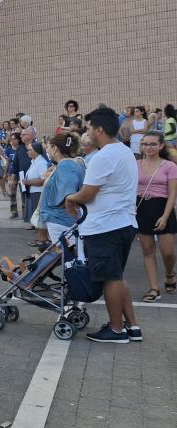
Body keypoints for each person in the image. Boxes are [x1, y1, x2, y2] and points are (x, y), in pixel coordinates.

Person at [65, 106, 141, 343]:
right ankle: (132, 326)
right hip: (124, 222)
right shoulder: (125, 152)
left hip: (105, 226)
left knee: (110, 278)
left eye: (88, 129)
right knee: (116, 276)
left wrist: (70, 198)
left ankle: (116, 330)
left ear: (99, 130)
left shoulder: (103, 157)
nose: (86, 133)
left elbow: (87, 193)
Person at [135, 132, 177, 301]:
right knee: (147, 250)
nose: (148, 147)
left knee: (167, 252)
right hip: (141, 207)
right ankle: (153, 289)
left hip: (163, 207)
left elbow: (172, 194)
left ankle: (169, 273)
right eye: (145, 144)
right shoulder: (135, 164)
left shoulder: (169, 166)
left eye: (152, 144)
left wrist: (165, 217)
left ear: (161, 146)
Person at [40, 133, 86, 243]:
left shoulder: (65, 165)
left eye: (49, 147)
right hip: (64, 220)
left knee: (68, 256)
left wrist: (72, 214)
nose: (47, 150)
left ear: (55, 148)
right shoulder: (75, 162)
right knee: (72, 255)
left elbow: (68, 195)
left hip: (61, 221)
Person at [22, 143, 48, 240]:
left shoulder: (41, 163)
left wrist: (29, 182)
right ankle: (40, 239)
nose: (27, 152)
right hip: (33, 192)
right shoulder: (34, 161)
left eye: (29, 150)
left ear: (35, 151)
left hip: (39, 192)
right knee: (36, 216)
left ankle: (43, 240)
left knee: (39, 216)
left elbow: (44, 180)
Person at [3, 133, 23, 220]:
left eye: (14, 139)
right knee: (12, 194)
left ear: (18, 140)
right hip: (11, 174)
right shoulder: (8, 150)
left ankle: (25, 212)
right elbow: (7, 162)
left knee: (23, 193)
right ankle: (14, 212)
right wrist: (5, 172)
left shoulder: (22, 149)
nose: (12, 140)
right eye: (11, 139)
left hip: (21, 173)